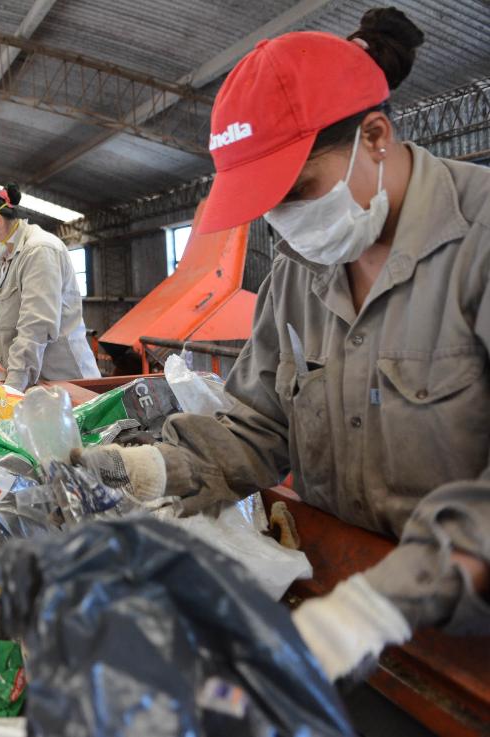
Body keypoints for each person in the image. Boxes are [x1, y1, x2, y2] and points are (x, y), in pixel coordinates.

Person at [73, 8, 488, 683]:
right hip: (337, 609)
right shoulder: (298, 276)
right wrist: (155, 469)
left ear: (375, 136)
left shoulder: (479, 245)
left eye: (299, 191)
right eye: (269, 205)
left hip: (464, 646)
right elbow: (259, 424)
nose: (287, 225)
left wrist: (380, 603)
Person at [0, 184, 101, 390]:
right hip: (35, 380)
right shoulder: (4, 262)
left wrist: (11, 389)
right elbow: (9, 326)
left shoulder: (39, 251)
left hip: (65, 382)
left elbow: (35, 329)